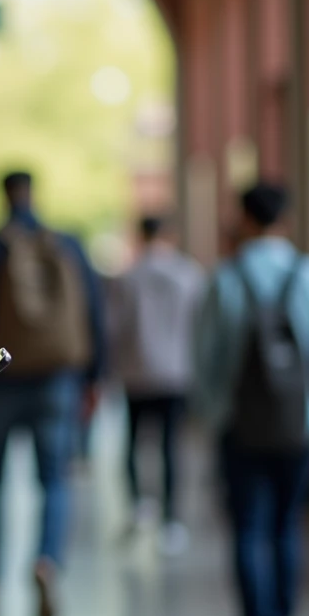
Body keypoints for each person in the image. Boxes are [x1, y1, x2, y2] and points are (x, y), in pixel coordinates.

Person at [193, 182, 309, 616]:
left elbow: (206, 362)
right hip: (300, 428)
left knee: (248, 530)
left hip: (239, 427)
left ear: (243, 219)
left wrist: (216, 415)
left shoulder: (225, 278)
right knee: (287, 528)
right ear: (285, 218)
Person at [0, 170, 105, 616]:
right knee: (54, 479)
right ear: (34, 193)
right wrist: (93, 377)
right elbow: (93, 312)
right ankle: (46, 560)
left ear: (2, 195)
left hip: (1, 379)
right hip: (57, 379)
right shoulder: (67, 244)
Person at [109, 215, 205, 555]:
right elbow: (201, 326)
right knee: (170, 448)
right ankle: (172, 521)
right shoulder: (189, 274)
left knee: (133, 442)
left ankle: (139, 504)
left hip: (137, 372)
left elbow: (114, 328)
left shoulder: (128, 277)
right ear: (170, 234)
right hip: (177, 374)